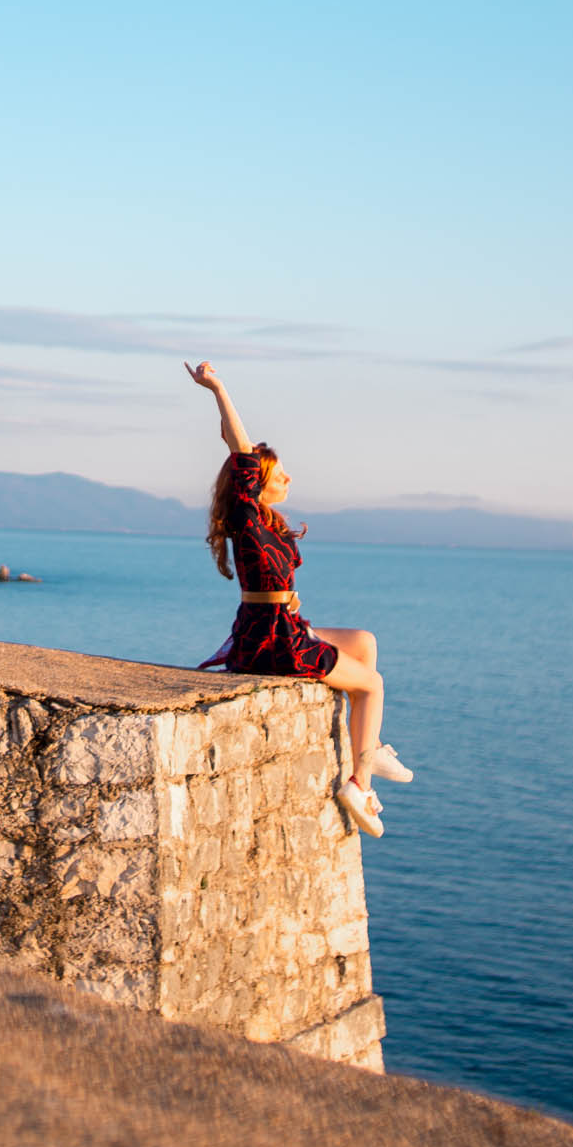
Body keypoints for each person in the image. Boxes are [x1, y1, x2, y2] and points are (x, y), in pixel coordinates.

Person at [184, 360, 412, 839]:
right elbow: (237, 446)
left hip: (278, 629)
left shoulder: (267, 522)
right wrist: (218, 388)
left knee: (364, 642)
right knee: (371, 685)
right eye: (280, 473)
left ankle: (368, 744)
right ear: (256, 481)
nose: (289, 479)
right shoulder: (247, 515)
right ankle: (360, 784)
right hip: (273, 643)